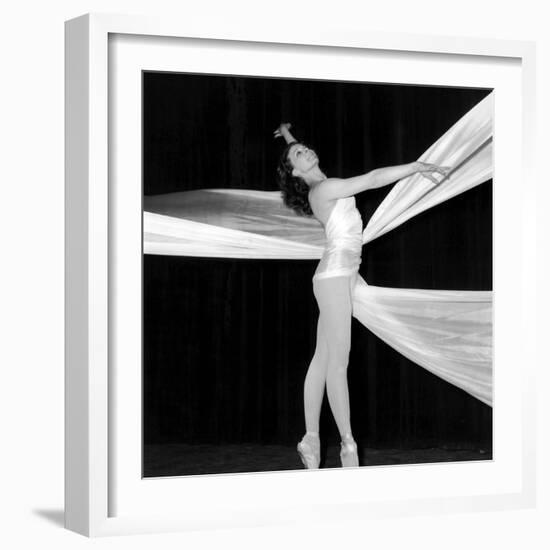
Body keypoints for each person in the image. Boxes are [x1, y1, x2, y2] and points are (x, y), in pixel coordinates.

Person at [274, 122, 451, 469]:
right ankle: (348, 445)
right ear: (295, 171)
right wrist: (414, 167)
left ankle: (310, 440)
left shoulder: (320, 184)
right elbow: (371, 179)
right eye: (299, 153)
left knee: (323, 360)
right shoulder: (323, 189)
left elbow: (298, 155)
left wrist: (289, 136)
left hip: (340, 275)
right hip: (336, 276)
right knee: (337, 364)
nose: (306, 149)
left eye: (305, 146)